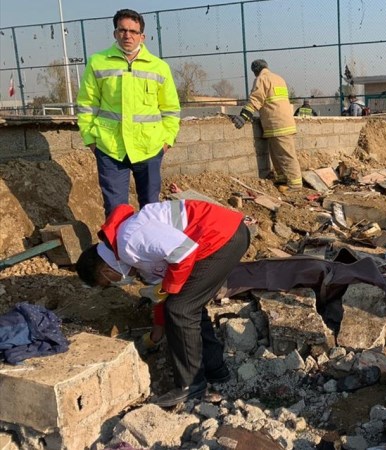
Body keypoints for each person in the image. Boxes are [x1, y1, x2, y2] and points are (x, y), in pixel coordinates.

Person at [75, 199, 249, 407]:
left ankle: (191, 384)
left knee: (181, 309)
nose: (118, 282)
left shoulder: (130, 240)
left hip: (222, 237)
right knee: (187, 306)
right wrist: (158, 329)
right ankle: (215, 368)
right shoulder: (136, 259)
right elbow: (162, 295)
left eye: (109, 280)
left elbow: (183, 252)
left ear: (106, 270)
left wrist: (170, 289)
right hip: (219, 239)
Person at [77, 9, 180, 217]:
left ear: (142, 36)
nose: (127, 35)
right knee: (116, 212)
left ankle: (147, 249)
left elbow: (171, 109)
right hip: (110, 148)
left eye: (133, 31)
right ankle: (118, 250)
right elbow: (87, 104)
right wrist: (91, 140)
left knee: (151, 209)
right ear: (115, 33)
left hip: (149, 148)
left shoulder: (159, 68)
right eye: (122, 30)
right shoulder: (98, 63)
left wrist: (166, 141)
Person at [231, 60, 302, 192]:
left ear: (255, 71)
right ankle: (282, 179)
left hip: (277, 124)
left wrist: (244, 116)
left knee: (286, 155)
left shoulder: (262, 79)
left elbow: (256, 99)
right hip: (283, 123)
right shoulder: (279, 78)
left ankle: (295, 184)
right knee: (277, 154)